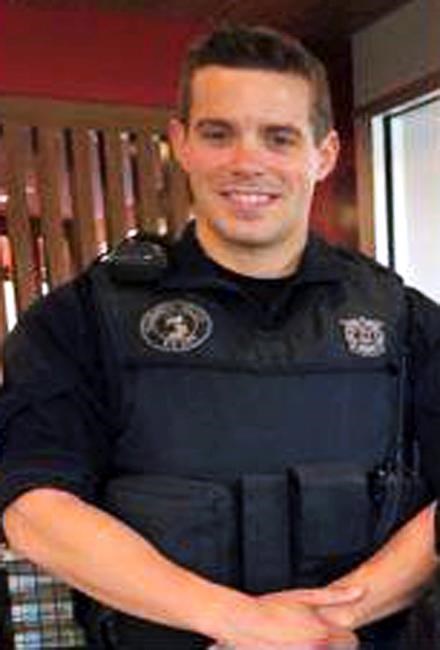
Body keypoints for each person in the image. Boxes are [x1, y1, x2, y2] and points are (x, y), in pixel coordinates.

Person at [0, 24, 439, 650]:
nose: (246, 162)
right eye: (217, 133)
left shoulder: (404, 319)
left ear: (324, 153)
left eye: (279, 137)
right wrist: (240, 621)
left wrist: (322, 625)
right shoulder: (81, 320)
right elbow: (35, 508)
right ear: (180, 141)